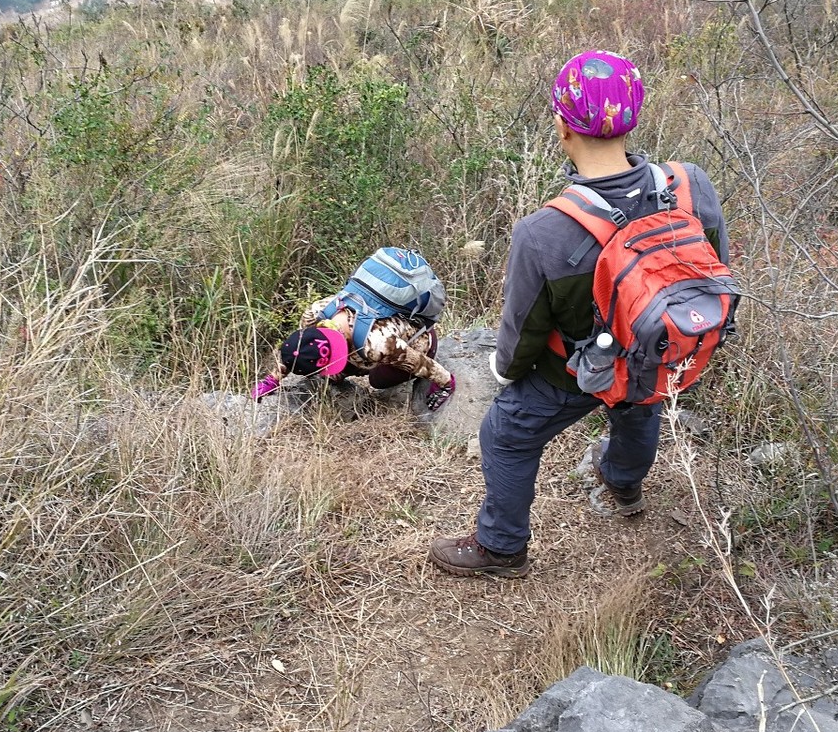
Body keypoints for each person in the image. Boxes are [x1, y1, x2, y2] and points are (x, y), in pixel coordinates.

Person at [429, 50, 729, 577]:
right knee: (639, 399)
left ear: (563, 127)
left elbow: (524, 331)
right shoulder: (689, 184)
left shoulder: (543, 231)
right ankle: (622, 482)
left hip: (572, 373)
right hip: (658, 348)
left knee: (505, 434)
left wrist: (506, 372)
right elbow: (715, 267)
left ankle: (501, 548)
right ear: (633, 116)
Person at [252, 297, 457, 409]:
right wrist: (273, 379)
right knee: (334, 375)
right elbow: (299, 351)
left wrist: (446, 384)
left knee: (377, 379)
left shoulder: (378, 345)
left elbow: (421, 363)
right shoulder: (316, 314)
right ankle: (354, 366)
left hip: (419, 338)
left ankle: (372, 368)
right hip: (369, 333)